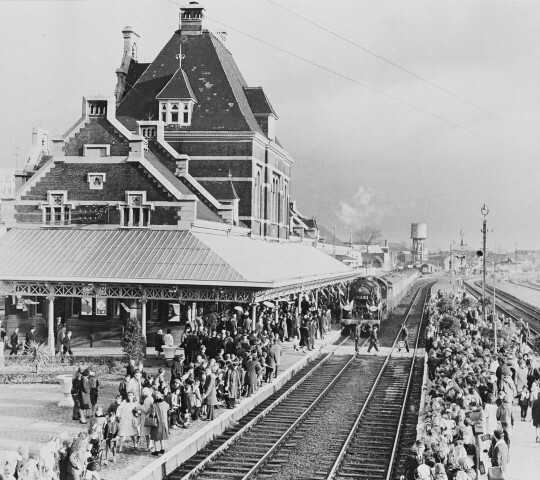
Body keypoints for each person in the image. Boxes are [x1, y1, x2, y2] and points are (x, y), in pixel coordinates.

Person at [151, 391, 170, 455]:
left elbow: (153, 414)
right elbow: (168, 407)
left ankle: (156, 450)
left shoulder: (154, 404)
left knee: (155, 437)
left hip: (157, 422)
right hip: (164, 421)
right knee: (162, 436)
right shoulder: (164, 403)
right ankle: (162, 449)